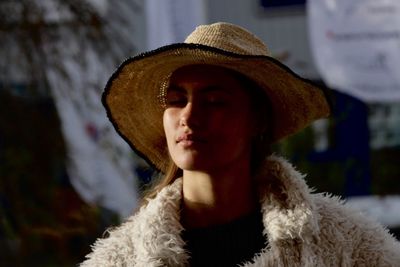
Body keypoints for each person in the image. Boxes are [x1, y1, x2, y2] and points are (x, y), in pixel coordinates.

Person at [81, 22, 400, 266]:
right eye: (177, 99)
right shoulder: (120, 259)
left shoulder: (349, 246)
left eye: (215, 101)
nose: (189, 117)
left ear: (257, 119)